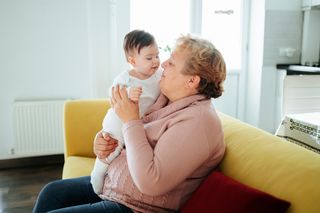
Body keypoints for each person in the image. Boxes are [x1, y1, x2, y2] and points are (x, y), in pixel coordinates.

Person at [33, 34, 227, 213]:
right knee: (52, 193)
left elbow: (151, 182)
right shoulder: (166, 99)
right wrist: (104, 143)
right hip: (114, 186)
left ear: (192, 80)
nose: (163, 63)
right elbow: (133, 139)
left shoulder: (199, 123)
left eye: (172, 63)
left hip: (135, 207)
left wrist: (131, 120)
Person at [90, 30, 162, 195]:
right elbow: (113, 94)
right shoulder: (126, 78)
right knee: (111, 149)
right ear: (132, 61)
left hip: (136, 123)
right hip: (117, 121)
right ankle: (98, 175)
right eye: (149, 58)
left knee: (125, 149)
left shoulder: (159, 75)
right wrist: (129, 93)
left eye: (157, 55)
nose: (155, 61)